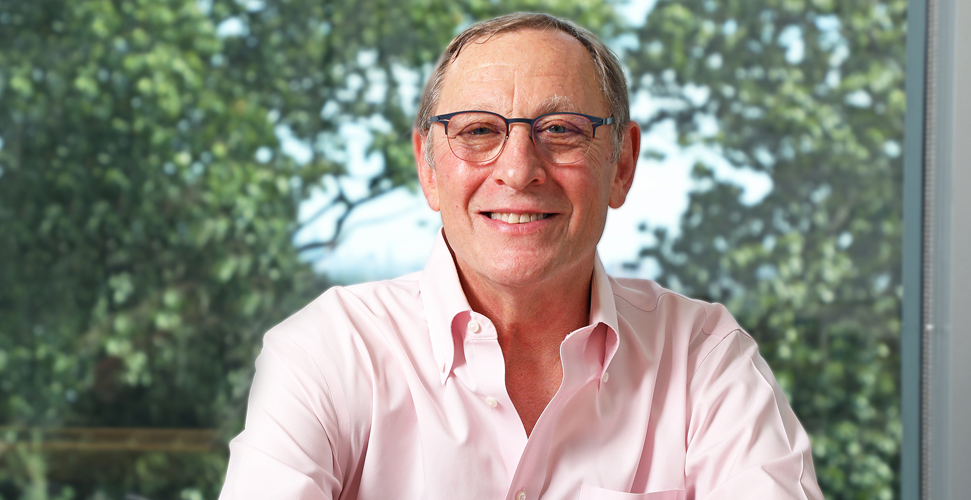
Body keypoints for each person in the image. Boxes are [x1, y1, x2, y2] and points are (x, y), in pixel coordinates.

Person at [220, 12, 823, 500]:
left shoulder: (703, 357)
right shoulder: (325, 353)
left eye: (561, 129)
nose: (518, 170)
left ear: (622, 164)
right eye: (478, 131)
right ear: (428, 167)